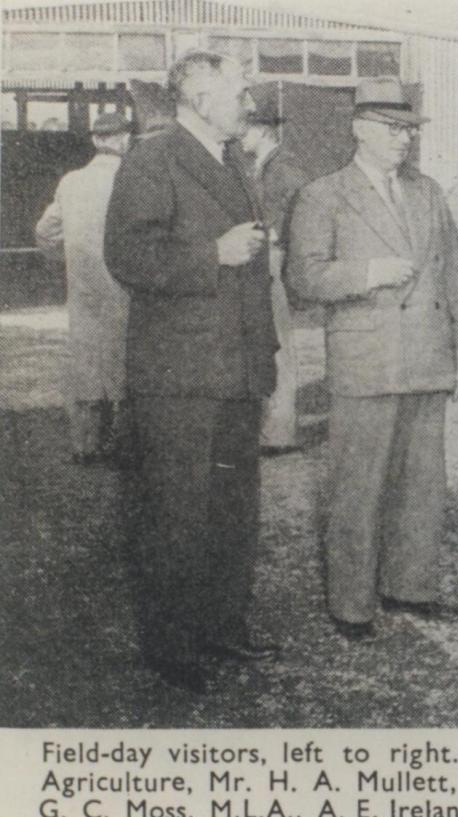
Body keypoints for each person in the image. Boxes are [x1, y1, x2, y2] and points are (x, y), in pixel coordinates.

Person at [104, 51, 280, 693]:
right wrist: (214, 253)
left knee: (232, 507)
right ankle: (173, 648)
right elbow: (126, 254)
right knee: (176, 513)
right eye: (240, 90)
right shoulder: (153, 156)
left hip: (234, 371)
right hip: (178, 377)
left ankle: (223, 627)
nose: (250, 102)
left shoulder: (230, 157)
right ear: (201, 95)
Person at [288, 77, 458, 642]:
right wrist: (366, 274)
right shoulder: (324, 194)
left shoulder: (428, 191)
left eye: (410, 131)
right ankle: (352, 603)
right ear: (358, 130)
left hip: (426, 358)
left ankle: (410, 587)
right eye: (393, 130)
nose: (404, 141)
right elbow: (303, 276)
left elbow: (454, 276)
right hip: (367, 362)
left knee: (422, 484)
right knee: (358, 486)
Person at [35, 112, 133, 465]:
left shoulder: (71, 182)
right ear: (125, 140)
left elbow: (45, 232)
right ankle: (126, 445)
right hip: (126, 287)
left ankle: (86, 445)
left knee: (87, 362)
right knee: (124, 363)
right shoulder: (131, 179)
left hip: (83, 288)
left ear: (95, 140)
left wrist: (66, 260)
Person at [239, 88, 309, 455]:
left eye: (246, 129)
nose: (240, 135)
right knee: (266, 341)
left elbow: (296, 212)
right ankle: (271, 427)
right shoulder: (263, 164)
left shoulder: (283, 166)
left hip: (273, 257)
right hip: (263, 257)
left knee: (277, 343)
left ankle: (280, 432)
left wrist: (275, 233)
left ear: (263, 131)